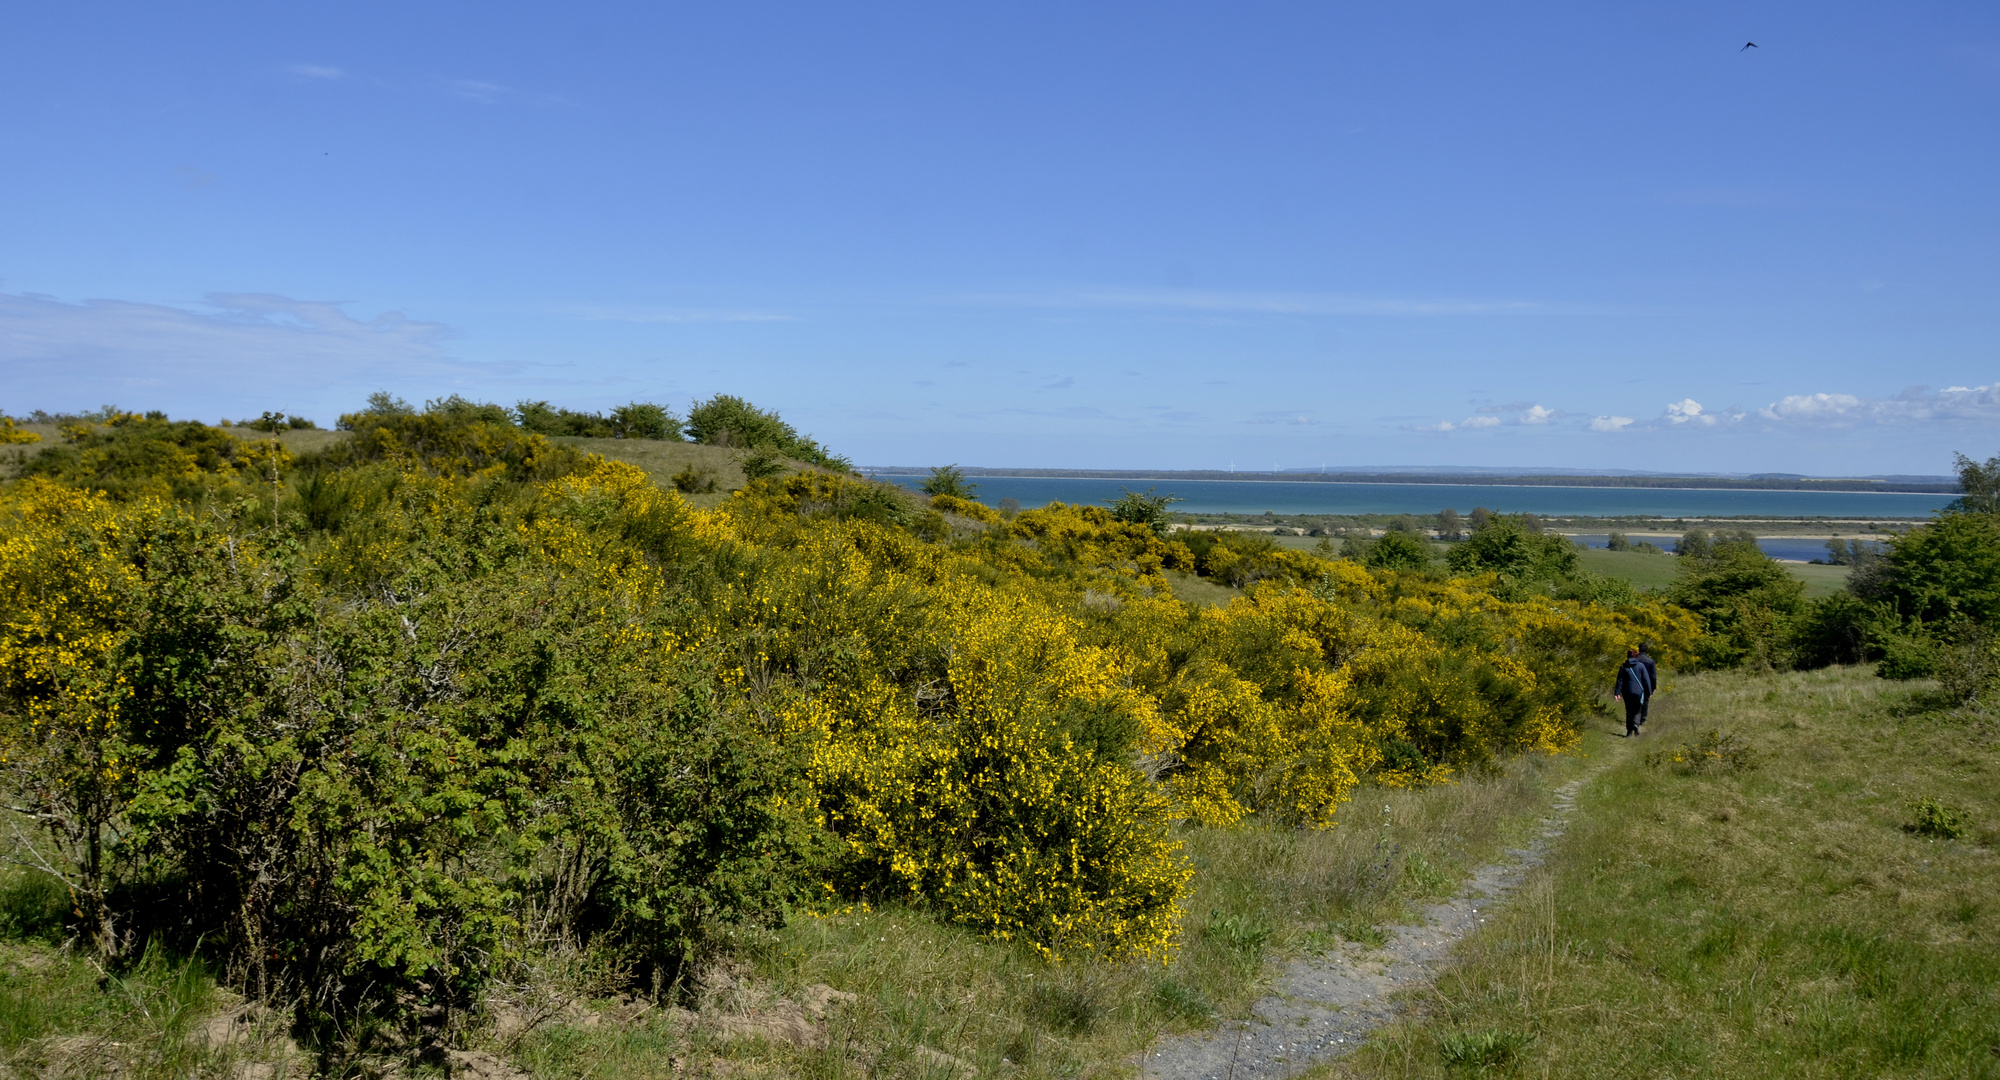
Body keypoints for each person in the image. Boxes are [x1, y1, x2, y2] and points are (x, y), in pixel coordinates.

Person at [1613, 647, 1649, 737]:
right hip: (1638, 692)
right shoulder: (1641, 666)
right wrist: (1648, 691)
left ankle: (1629, 732)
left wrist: (1617, 693)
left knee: (1629, 710)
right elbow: (1646, 680)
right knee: (1637, 710)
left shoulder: (1623, 666)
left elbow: (1620, 680)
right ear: (1636, 656)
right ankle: (1636, 725)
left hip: (1627, 692)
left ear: (1627, 656)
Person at [1635, 642, 1659, 725]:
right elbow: (1653, 676)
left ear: (1639, 649)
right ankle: (1643, 718)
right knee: (1645, 700)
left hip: (1636, 682)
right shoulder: (1650, 661)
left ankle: (1635, 717)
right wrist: (1653, 686)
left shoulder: (1635, 659)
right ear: (1646, 650)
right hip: (1646, 683)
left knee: (1635, 700)